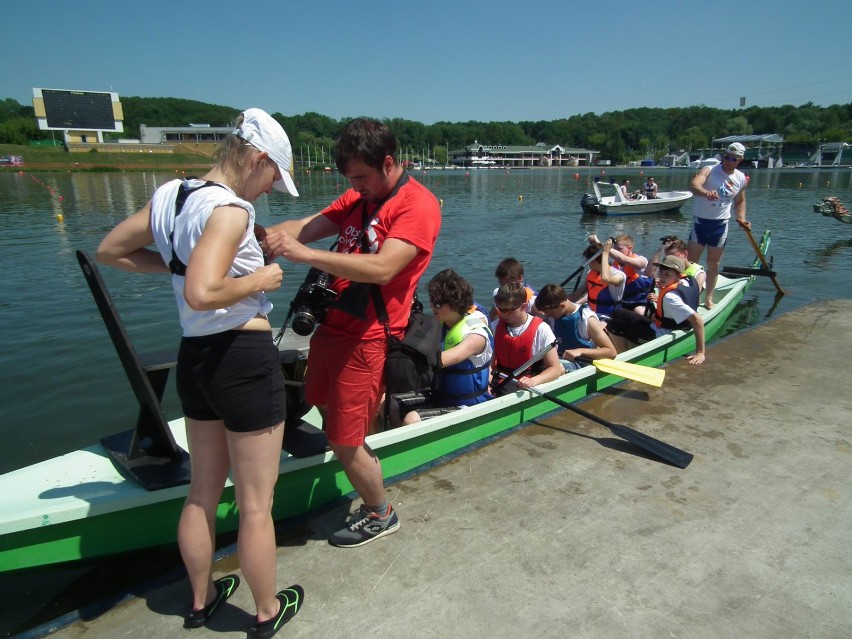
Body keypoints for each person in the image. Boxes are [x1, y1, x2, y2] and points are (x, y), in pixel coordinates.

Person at [95, 108, 304, 636]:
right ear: (257, 160)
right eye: (274, 176)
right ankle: (264, 613)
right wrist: (262, 278)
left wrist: (180, 263)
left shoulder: (172, 195)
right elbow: (203, 292)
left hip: (197, 361)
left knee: (201, 494)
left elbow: (111, 251)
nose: (271, 189)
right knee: (257, 505)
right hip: (243, 362)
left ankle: (200, 599)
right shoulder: (231, 211)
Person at [263, 117, 441, 548]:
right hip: (332, 329)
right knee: (322, 403)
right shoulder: (359, 197)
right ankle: (357, 449)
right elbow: (306, 226)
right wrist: (255, 234)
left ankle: (381, 512)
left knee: (343, 437)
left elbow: (383, 268)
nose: (355, 186)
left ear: (389, 162)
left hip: (367, 338)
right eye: (350, 179)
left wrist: (304, 255)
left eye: (361, 177)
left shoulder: (416, 205)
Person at [398, 269, 493, 425]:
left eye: (438, 303)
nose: (432, 306)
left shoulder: (475, 334)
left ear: (455, 303)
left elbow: (440, 360)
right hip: (440, 397)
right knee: (389, 403)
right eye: (431, 300)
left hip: (469, 405)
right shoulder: (438, 324)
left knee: (412, 419)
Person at [606, 255, 706, 365]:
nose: (662, 276)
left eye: (667, 274)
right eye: (661, 272)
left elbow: (698, 321)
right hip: (672, 324)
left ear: (678, 276)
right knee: (619, 313)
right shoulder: (687, 280)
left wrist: (700, 353)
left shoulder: (671, 298)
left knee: (613, 322)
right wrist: (663, 285)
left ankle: (624, 359)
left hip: (658, 334)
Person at [688, 141, 751, 309]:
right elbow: (694, 185)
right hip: (700, 222)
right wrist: (706, 193)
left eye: (733, 159)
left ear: (740, 160)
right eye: (726, 157)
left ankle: (708, 297)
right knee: (691, 262)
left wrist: (742, 218)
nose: (728, 161)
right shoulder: (709, 170)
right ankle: (689, 294)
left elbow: (740, 201)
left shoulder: (741, 178)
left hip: (720, 225)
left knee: (713, 262)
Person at [490, 282, 563, 391]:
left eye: (507, 310)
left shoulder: (542, 329)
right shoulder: (494, 327)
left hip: (529, 384)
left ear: (523, 306)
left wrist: (534, 381)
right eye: (500, 309)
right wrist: (488, 385)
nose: (502, 314)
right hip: (499, 382)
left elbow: (555, 369)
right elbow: (489, 365)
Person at [534, 283, 617, 371]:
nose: (548, 316)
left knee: (555, 368)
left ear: (562, 305)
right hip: (558, 359)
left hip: (581, 363)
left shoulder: (586, 319)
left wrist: (580, 351)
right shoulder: (552, 317)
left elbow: (611, 352)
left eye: (550, 313)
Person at [590, 233, 653, 312]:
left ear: (629, 248)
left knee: (639, 311)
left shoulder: (641, 261)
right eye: (615, 249)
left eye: (619, 249)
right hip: (622, 301)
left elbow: (622, 258)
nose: (616, 252)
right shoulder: (614, 266)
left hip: (640, 301)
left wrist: (599, 244)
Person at [571, 239, 626, 321]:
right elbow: (576, 295)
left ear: (593, 261)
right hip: (590, 314)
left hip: (609, 317)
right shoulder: (591, 273)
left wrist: (606, 253)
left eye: (588, 261)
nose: (588, 264)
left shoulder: (618, 275)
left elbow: (606, 279)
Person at [488, 257, 537, 321]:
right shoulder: (498, 293)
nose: (505, 289)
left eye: (509, 284)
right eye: (502, 285)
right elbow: (491, 316)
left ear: (519, 278)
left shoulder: (532, 301)